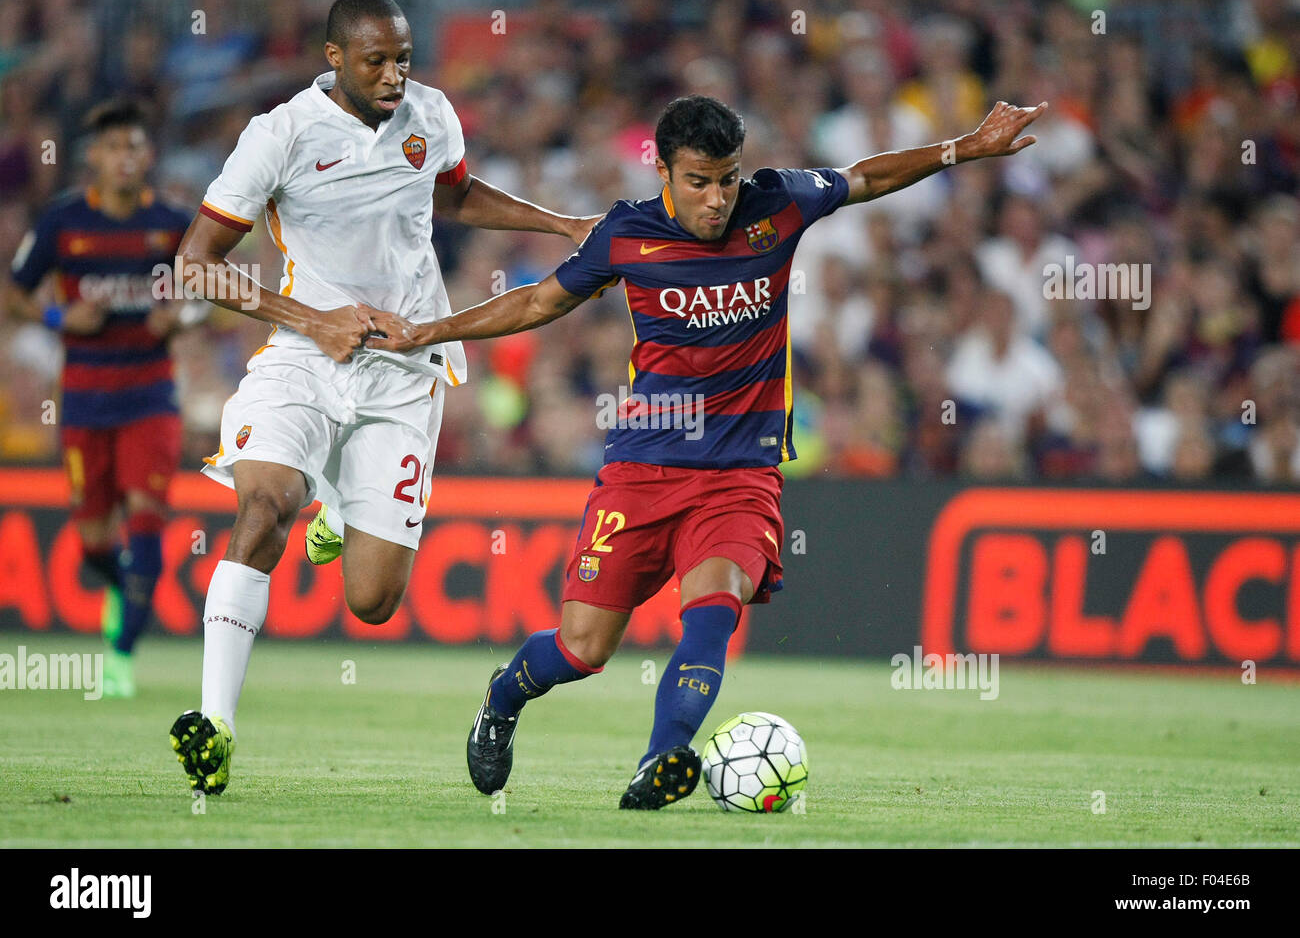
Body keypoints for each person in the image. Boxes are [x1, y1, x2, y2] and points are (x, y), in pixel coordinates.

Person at [365, 93, 1047, 808]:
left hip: (740, 475)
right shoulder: (626, 234)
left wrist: (964, 148)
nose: (718, 199)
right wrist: (427, 332)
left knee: (713, 608)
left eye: (727, 179)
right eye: (699, 181)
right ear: (660, 168)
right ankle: (502, 699)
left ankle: (661, 760)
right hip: (641, 473)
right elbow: (537, 302)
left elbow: (865, 178)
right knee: (582, 650)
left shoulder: (777, 203)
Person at [167, 0, 596, 795]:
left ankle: (337, 507)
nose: (395, 74)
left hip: (403, 367)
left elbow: (458, 196)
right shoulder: (280, 134)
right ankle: (216, 724)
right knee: (263, 505)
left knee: (371, 602)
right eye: (377, 61)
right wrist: (313, 318)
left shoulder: (430, 114)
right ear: (334, 58)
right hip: (302, 350)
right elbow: (192, 264)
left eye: (402, 57)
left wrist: (561, 226)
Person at [5, 98, 194, 698]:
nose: (124, 158)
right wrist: (60, 314)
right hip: (85, 398)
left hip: (150, 396)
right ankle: (130, 588)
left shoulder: (171, 224)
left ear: (148, 156)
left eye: (134, 147)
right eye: (113, 147)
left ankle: (121, 653)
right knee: (93, 542)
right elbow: (13, 293)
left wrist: (181, 318)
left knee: (145, 519)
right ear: (93, 156)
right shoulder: (63, 224)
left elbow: (213, 289)